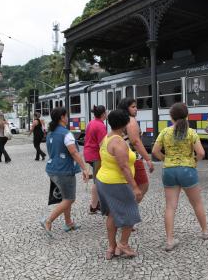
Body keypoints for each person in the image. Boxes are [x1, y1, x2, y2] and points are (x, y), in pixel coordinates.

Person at [152, 103, 208, 251]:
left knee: (170, 206)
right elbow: (201, 153)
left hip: (169, 171)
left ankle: (169, 240)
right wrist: (192, 162)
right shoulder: (191, 132)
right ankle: (205, 231)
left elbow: (155, 151)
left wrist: (165, 159)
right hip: (187, 170)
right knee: (197, 203)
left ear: (171, 117)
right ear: (187, 116)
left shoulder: (165, 132)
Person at [95, 109, 142, 259]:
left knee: (112, 214)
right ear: (124, 124)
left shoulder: (106, 138)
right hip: (117, 183)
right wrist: (135, 187)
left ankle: (111, 248)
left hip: (103, 180)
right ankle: (123, 244)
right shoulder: (118, 143)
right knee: (130, 214)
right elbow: (124, 167)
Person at [39, 107, 89, 235]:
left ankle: (68, 223)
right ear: (62, 117)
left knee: (66, 196)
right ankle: (48, 220)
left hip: (52, 169)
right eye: (66, 116)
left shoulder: (50, 132)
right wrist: (84, 168)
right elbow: (74, 152)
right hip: (64, 170)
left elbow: (52, 151)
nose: (68, 118)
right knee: (69, 198)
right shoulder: (66, 133)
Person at [117, 98, 154, 201]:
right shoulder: (131, 121)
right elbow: (136, 142)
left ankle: (125, 208)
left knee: (130, 185)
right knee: (144, 185)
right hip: (134, 157)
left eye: (136, 106)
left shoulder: (121, 120)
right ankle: (128, 208)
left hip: (124, 156)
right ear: (126, 108)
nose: (136, 109)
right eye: (133, 107)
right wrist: (148, 159)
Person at [83, 105, 107, 214]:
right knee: (97, 181)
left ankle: (96, 204)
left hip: (88, 153)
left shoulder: (91, 123)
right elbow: (102, 144)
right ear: (103, 114)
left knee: (97, 178)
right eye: (105, 112)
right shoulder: (101, 126)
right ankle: (93, 206)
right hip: (96, 155)